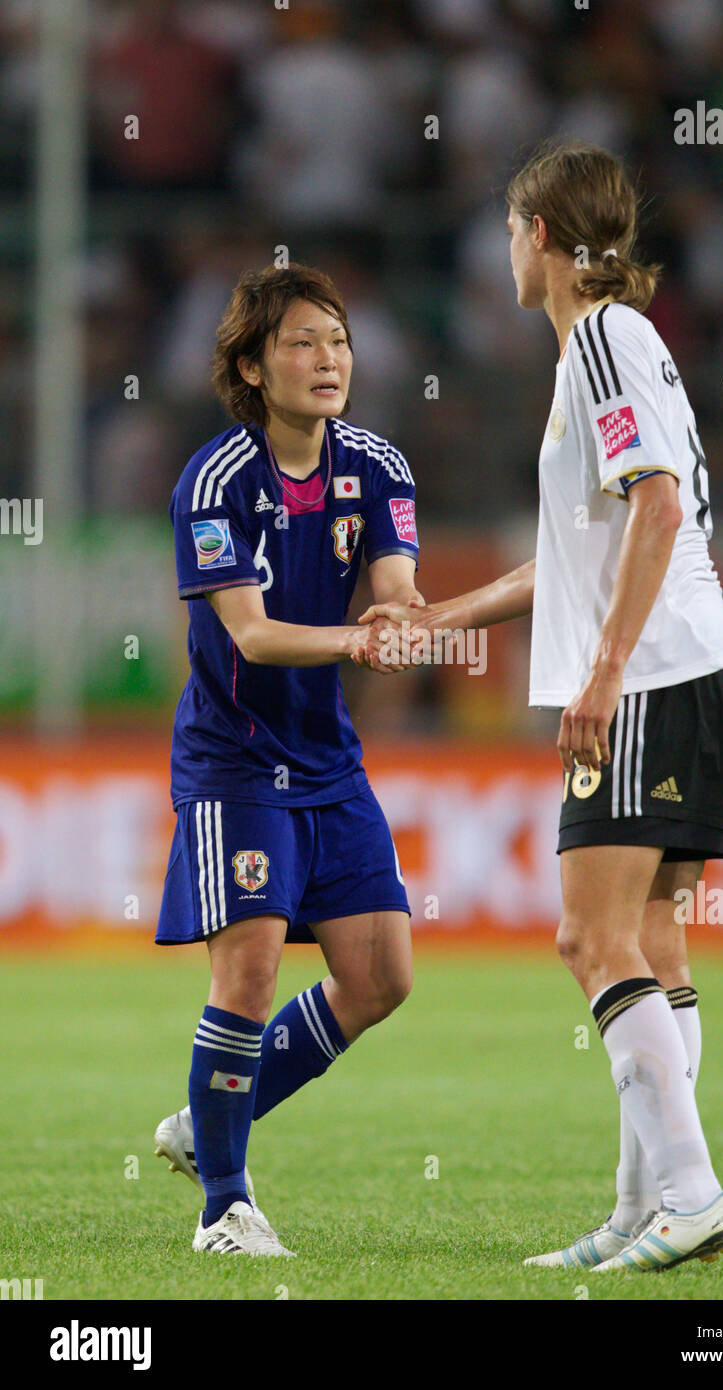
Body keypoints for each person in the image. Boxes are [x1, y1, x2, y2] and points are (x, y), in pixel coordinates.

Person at [362, 140, 723, 1273]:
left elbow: (652, 510)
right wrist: (444, 617)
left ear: (538, 236)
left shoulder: (593, 339)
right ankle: (648, 1209)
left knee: (585, 935)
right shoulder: (624, 345)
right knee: (650, 935)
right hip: (700, 664)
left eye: (506, 229)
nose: (503, 248)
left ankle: (689, 1193)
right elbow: (574, 554)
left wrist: (597, 676)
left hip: (647, 677)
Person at [153, 262, 419, 1257]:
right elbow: (255, 636)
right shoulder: (215, 481)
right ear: (253, 365)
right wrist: (360, 641)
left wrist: (395, 613)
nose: (327, 359)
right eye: (303, 342)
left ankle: (205, 1121)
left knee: (382, 977)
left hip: (327, 759)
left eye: (338, 340)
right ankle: (224, 1205)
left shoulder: (378, 464)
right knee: (251, 971)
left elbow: (393, 576)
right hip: (235, 759)